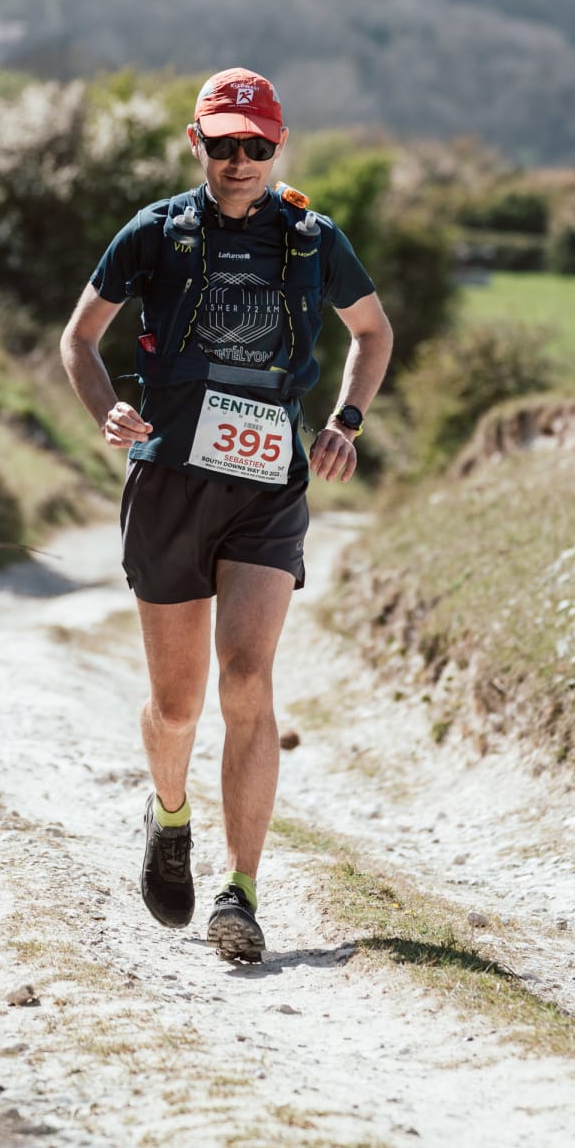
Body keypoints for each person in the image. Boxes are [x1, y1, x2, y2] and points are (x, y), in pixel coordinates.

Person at [60, 69, 393, 960]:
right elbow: (79, 337)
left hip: (267, 488)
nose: (239, 159)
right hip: (169, 483)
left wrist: (345, 420)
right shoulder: (154, 231)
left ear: (278, 144)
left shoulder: (314, 239)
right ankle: (169, 816)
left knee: (247, 678)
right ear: (195, 141)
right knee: (177, 708)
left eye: (256, 144)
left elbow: (373, 331)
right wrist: (105, 409)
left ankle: (240, 892)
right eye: (222, 143)